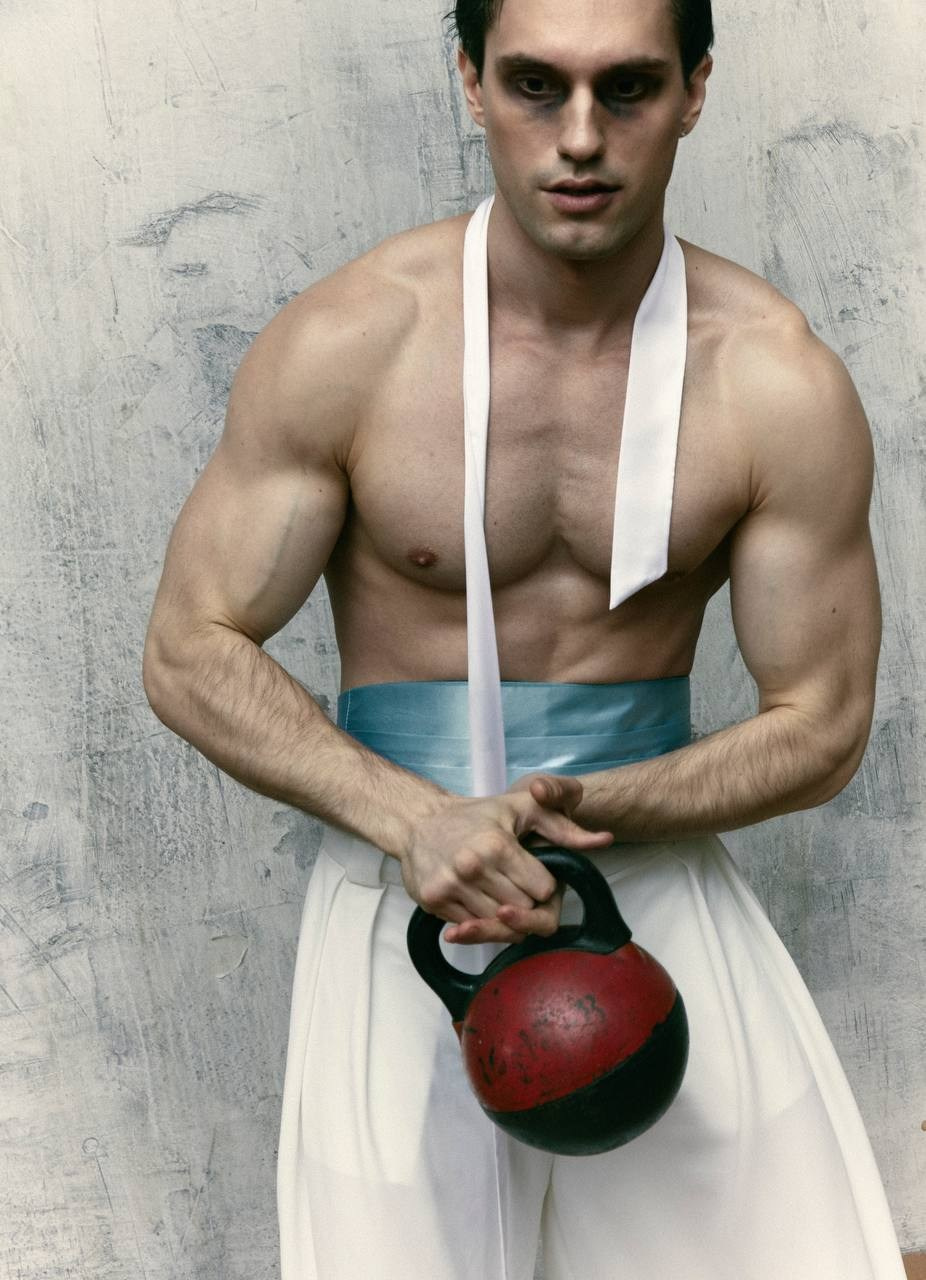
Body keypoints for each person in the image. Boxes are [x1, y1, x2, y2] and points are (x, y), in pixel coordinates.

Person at [142, 0, 908, 1275]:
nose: (580, 137)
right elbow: (188, 645)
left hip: (648, 892)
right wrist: (417, 820)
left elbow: (822, 722)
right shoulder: (351, 341)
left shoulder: (772, 378)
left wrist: (576, 808)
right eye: (536, 85)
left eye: (627, 88)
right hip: (406, 904)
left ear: (694, 89)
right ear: (470, 80)